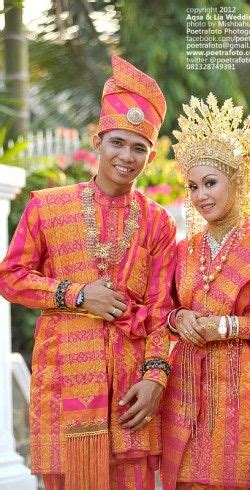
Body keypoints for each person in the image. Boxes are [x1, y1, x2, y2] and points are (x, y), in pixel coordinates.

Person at [0, 55, 176, 490]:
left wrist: (156, 377)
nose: (126, 156)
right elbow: (11, 276)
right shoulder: (48, 206)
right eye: (118, 142)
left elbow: (161, 308)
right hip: (64, 383)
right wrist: (76, 295)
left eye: (139, 147)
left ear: (150, 156)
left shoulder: (158, 223)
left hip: (130, 387)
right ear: (97, 141)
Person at [161, 94, 250, 489]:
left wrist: (228, 327)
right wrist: (181, 318)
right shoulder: (182, 251)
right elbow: (162, 312)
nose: (201, 195)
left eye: (210, 182)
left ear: (238, 181)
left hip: (245, 394)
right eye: (193, 186)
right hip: (188, 390)